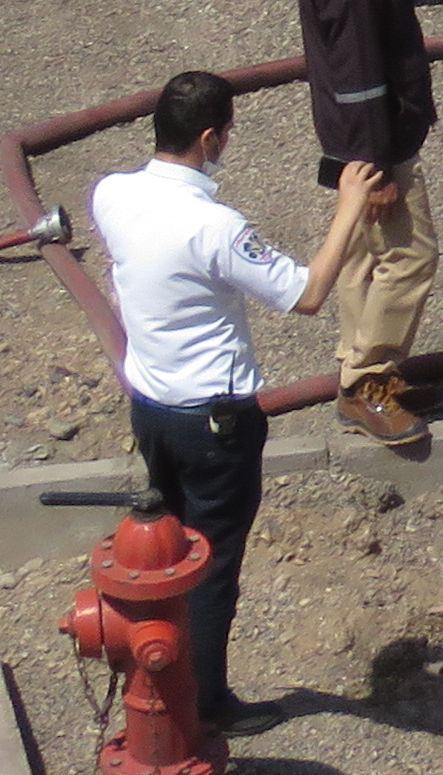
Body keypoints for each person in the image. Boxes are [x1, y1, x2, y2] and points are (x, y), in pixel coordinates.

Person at [90, 74, 387, 738]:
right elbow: (306, 294)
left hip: (151, 411)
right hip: (213, 426)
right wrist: (349, 205)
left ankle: (156, 673)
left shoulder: (110, 194)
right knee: (210, 567)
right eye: (226, 132)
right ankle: (204, 703)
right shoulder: (216, 227)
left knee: (164, 555)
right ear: (209, 138)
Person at [293, 0, 438, 447]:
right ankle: (367, 384)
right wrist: (376, 168)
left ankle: (362, 371)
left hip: (345, 135)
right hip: (374, 140)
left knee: (361, 259)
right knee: (409, 257)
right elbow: (359, 74)